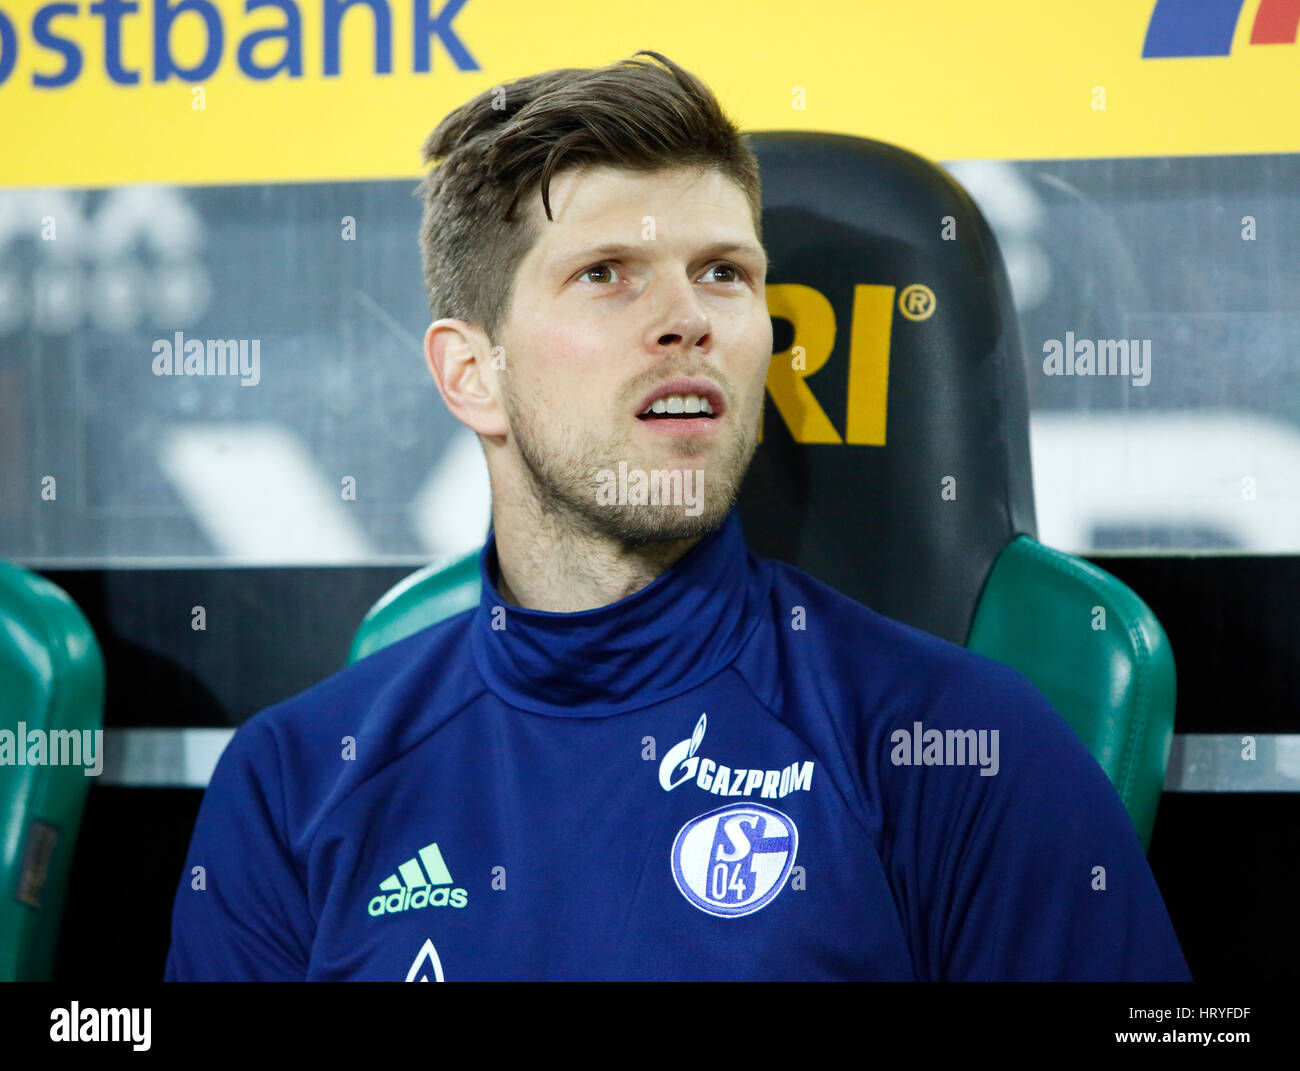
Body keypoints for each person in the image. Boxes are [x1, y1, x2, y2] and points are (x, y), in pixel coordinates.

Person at [164, 50, 1191, 981]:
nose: (688, 319)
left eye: (724, 274)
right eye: (606, 275)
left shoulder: (961, 747)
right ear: (471, 375)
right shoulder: (292, 782)